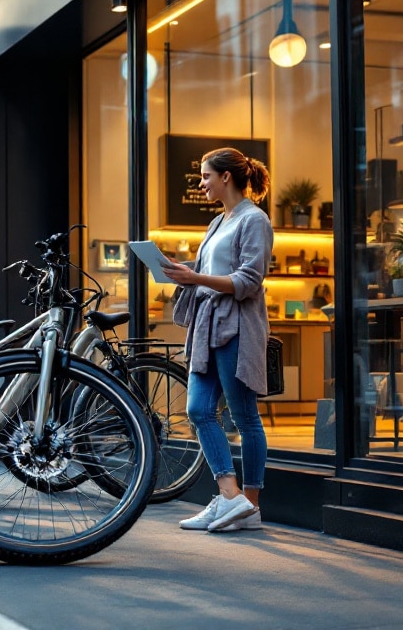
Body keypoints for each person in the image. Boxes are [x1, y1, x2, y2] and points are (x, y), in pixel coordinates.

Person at [163, 146, 273, 534]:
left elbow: (248, 281)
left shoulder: (254, 220)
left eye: (206, 176)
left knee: (244, 417)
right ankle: (230, 498)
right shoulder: (217, 222)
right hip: (207, 325)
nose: (202, 183)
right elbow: (212, 269)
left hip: (238, 326)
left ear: (226, 177)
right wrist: (183, 272)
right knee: (198, 410)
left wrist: (196, 279)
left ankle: (251, 506)